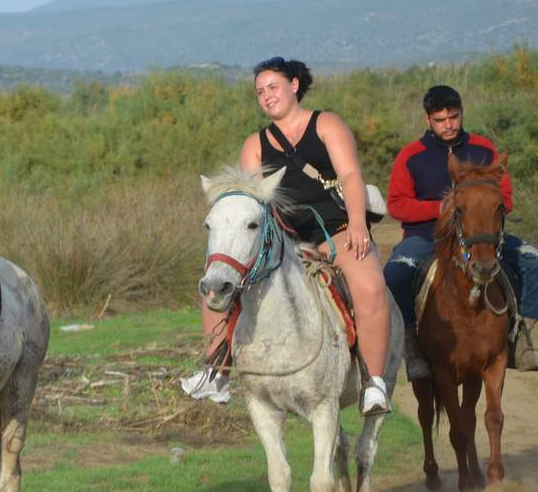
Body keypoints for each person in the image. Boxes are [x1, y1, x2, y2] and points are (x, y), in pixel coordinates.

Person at [183, 57, 392, 414]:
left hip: (336, 229)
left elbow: (351, 176)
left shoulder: (326, 124)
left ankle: (374, 383)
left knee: (371, 287)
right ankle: (215, 372)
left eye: (273, 87)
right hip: (283, 238)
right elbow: (251, 202)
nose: (266, 96)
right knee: (219, 284)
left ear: (294, 85)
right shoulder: (256, 144)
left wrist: (358, 222)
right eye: (260, 91)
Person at [383, 84, 538, 378]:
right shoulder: (411, 155)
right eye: (440, 119)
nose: (448, 124)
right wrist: (441, 209)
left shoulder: (483, 148)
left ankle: (525, 339)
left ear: (461, 113)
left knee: (533, 261)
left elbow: (506, 197)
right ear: (427, 119)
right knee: (394, 274)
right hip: (426, 236)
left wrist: (484, 208)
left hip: (482, 233)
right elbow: (397, 204)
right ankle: (412, 348)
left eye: (453, 117)